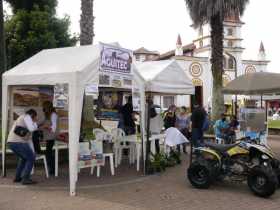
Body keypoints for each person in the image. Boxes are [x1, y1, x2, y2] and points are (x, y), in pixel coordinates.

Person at [7, 109, 38, 185]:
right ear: (32, 115)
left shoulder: (21, 118)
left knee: (24, 159)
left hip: (11, 142)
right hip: (18, 142)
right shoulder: (27, 117)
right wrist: (35, 123)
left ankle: (17, 177)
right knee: (31, 157)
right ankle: (25, 178)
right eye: (35, 117)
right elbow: (32, 128)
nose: (35, 119)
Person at [40, 101, 58, 175]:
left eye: (44, 107)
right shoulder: (48, 115)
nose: (43, 108)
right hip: (48, 137)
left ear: (47, 107)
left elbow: (53, 128)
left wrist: (46, 127)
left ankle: (52, 169)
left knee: (49, 153)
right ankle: (51, 169)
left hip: (51, 137)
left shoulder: (53, 115)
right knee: (48, 153)